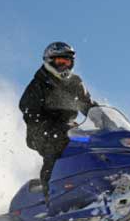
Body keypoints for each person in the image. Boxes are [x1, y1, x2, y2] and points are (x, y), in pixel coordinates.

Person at [19, 42, 96, 202]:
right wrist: (45, 126)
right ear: (49, 61)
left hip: (68, 129)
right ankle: (51, 199)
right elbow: (28, 109)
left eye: (67, 62)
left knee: (92, 144)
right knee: (55, 149)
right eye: (60, 62)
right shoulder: (38, 84)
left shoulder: (75, 83)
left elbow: (89, 105)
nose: (64, 66)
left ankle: (95, 186)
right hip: (41, 131)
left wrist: (105, 119)